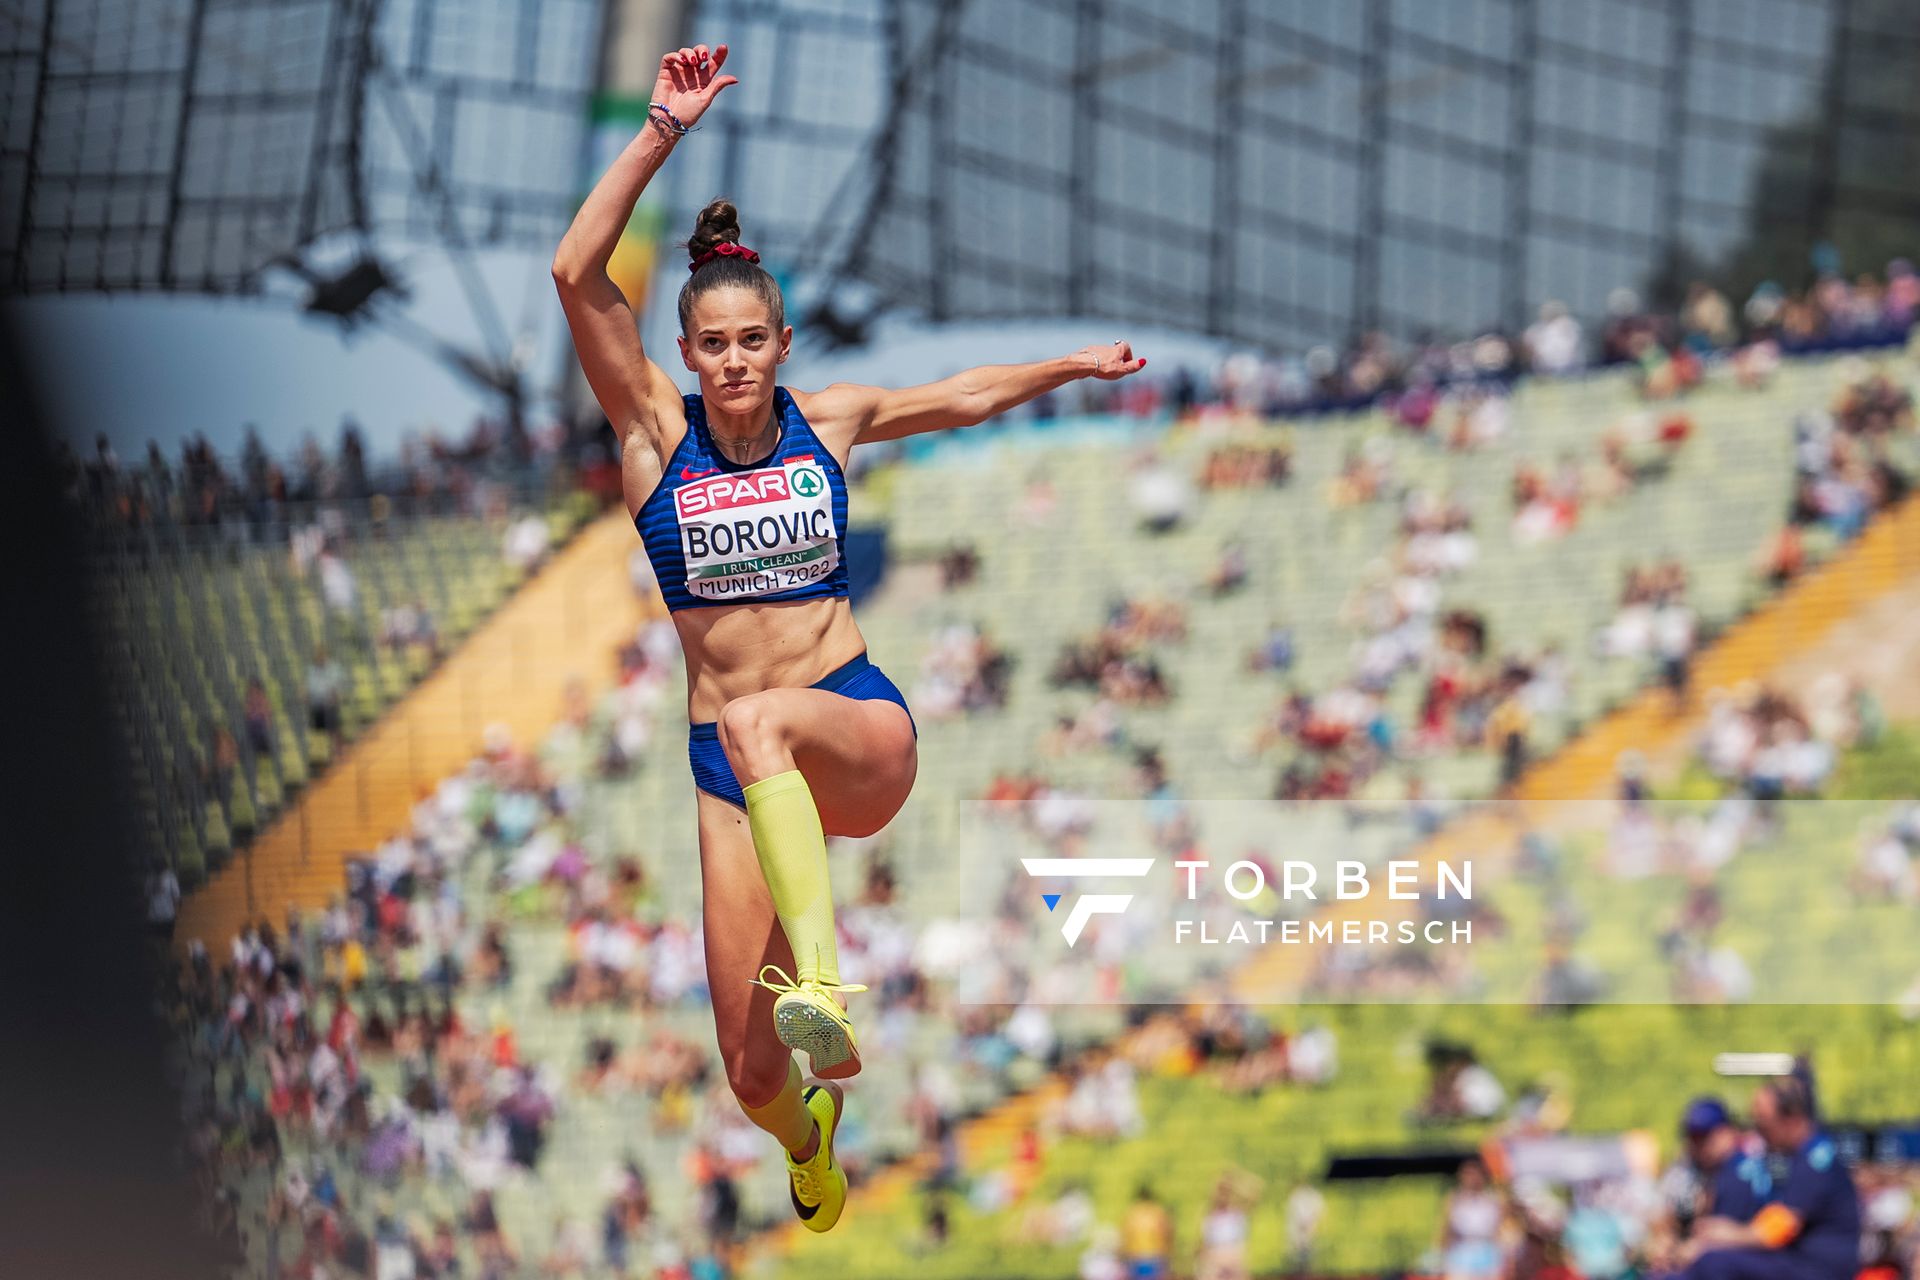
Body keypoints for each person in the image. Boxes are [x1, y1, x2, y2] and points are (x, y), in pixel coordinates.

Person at [550, 40, 1146, 1235]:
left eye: (750, 343)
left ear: (780, 347)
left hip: (853, 722)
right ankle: (808, 1132)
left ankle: (825, 979)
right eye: (710, 346)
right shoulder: (652, 443)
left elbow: (965, 394)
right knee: (745, 1060)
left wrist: (1070, 364)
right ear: (684, 356)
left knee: (765, 711)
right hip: (731, 770)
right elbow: (577, 272)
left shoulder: (832, 421)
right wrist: (661, 130)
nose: (731, 363)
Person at [1678, 1075, 1862, 1279]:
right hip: (1800, 1262)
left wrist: (1727, 1234)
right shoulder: (1802, 1156)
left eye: (1764, 1122)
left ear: (1791, 1120)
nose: (1759, 1131)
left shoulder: (1815, 1162)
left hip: (1816, 1269)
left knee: (1715, 1263)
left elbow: (1781, 1228)